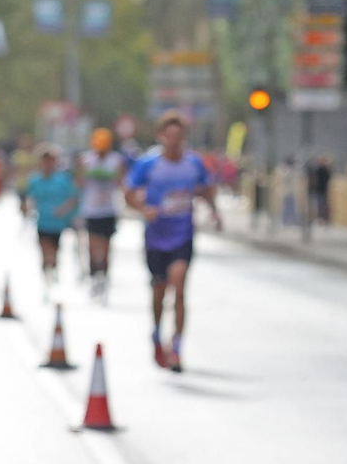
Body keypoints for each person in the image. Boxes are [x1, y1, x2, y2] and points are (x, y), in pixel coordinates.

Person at [125, 110, 221, 373]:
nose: (174, 142)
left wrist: (214, 211)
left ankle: (176, 347)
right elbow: (129, 193)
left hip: (183, 235)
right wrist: (143, 209)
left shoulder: (194, 164)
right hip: (156, 236)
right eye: (170, 137)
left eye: (179, 137)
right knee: (159, 291)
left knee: (178, 288)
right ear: (161, 137)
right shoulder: (148, 164)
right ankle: (156, 333)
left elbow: (205, 188)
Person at [21, 144, 80, 300]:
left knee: (54, 254)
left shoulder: (62, 180)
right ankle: (45, 282)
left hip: (58, 223)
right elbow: (27, 197)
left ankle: (53, 271)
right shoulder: (34, 180)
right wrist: (26, 210)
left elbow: (73, 199)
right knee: (44, 251)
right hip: (42, 223)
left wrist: (65, 210)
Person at [77, 128, 127, 304]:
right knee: (92, 247)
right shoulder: (86, 160)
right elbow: (79, 183)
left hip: (109, 211)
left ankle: (104, 279)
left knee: (106, 250)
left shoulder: (116, 161)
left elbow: (123, 183)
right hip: (91, 211)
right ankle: (93, 277)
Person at [310, 155, 333, 225]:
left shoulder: (324, 170)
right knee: (320, 205)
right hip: (320, 189)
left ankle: (324, 219)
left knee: (323, 205)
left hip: (323, 189)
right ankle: (321, 219)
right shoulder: (319, 169)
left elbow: (328, 178)